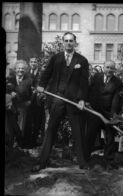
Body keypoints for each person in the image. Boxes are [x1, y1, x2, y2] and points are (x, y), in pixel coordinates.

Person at [32, 32, 89, 172]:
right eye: (66, 40)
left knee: (78, 132)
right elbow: (47, 73)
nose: (69, 43)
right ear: (63, 42)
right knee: (50, 129)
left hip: (74, 101)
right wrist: (41, 85)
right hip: (57, 99)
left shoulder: (82, 60)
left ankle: (82, 163)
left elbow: (83, 83)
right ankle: (42, 162)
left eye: (71, 41)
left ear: (75, 42)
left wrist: (82, 99)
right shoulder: (56, 58)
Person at [85, 60, 123, 167]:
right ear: (103, 67)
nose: (109, 70)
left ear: (114, 69)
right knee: (90, 135)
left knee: (110, 138)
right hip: (94, 112)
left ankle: (108, 161)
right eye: (107, 67)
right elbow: (88, 90)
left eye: (112, 68)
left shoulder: (117, 82)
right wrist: (86, 101)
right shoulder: (96, 77)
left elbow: (116, 100)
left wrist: (113, 116)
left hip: (108, 114)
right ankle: (85, 158)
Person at [6, 60, 33, 148]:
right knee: (12, 124)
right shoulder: (10, 79)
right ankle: (11, 141)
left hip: (23, 105)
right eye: (18, 68)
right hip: (12, 105)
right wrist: (10, 94)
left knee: (22, 124)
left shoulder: (29, 80)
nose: (20, 70)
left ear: (25, 70)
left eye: (22, 68)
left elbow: (33, 92)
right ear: (15, 69)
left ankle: (20, 143)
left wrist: (30, 101)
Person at [27, 57, 46, 147]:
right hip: (28, 101)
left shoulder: (42, 73)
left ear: (38, 63)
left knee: (37, 121)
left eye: (35, 62)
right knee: (28, 120)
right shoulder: (26, 73)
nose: (33, 63)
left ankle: (34, 141)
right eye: (31, 62)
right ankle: (27, 140)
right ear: (29, 63)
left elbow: (47, 84)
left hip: (38, 101)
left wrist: (42, 93)